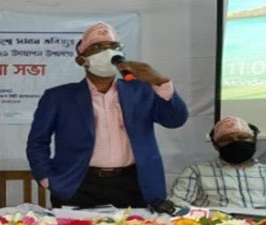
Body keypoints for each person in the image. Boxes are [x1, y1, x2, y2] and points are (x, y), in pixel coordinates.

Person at [26, 21, 189, 209]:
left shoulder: (141, 90)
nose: (108, 52)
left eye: (113, 47)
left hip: (134, 184)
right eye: (97, 48)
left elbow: (175, 120)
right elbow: (37, 142)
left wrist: (159, 81)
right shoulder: (58, 97)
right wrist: (47, 178)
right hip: (77, 184)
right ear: (81, 60)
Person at [170, 116, 266, 208]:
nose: (236, 143)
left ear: (253, 140)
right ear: (216, 145)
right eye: (227, 140)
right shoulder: (196, 172)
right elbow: (177, 204)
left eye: (243, 138)